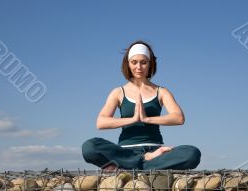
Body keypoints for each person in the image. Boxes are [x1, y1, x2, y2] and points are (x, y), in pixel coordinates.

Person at [82, 40, 201, 171]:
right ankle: (143, 163)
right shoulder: (118, 92)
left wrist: (147, 119)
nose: (139, 67)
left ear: (150, 64)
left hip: (156, 152)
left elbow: (178, 118)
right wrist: (133, 119)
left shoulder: (161, 91)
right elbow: (101, 122)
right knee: (89, 147)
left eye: (143, 62)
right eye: (134, 62)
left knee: (192, 153)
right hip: (125, 152)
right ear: (128, 64)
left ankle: (131, 166)